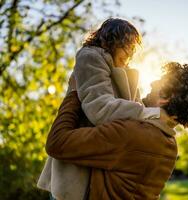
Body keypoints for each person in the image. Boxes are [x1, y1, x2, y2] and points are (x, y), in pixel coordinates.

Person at [46, 62, 188, 199]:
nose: (152, 83)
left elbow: (57, 142)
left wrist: (74, 93)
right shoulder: (170, 145)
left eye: (160, 81)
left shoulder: (132, 134)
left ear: (166, 97)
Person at [37, 18, 160, 200]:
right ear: (110, 40)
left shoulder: (126, 72)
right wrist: (149, 114)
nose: (130, 51)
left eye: (133, 47)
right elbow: (100, 108)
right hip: (77, 160)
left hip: (103, 163)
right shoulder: (90, 57)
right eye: (127, 44)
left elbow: (136, 114)